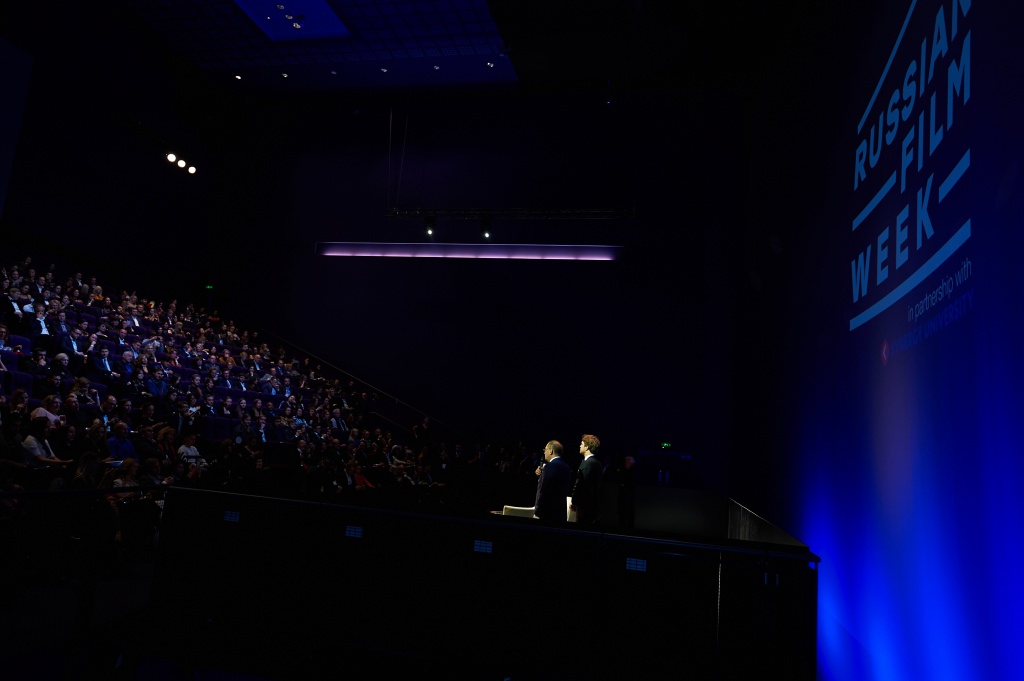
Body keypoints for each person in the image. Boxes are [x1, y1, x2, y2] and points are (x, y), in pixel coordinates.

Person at [570, 434, 604, 527]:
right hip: (592, 507)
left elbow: (580, 484)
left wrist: (574, 502)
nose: (579, 445)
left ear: (587, 447)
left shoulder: (588, 463)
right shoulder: (597, 463)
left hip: (584, 508)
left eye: (581, 444)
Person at [533, 440, 571, 523]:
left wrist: (538, 512)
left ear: (551, 451)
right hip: (560, 513)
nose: (544, 452)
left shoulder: (550, 466)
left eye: (545, 449)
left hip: (548, 514)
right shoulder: (566, 467)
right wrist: (541, 476)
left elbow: (544, 490)